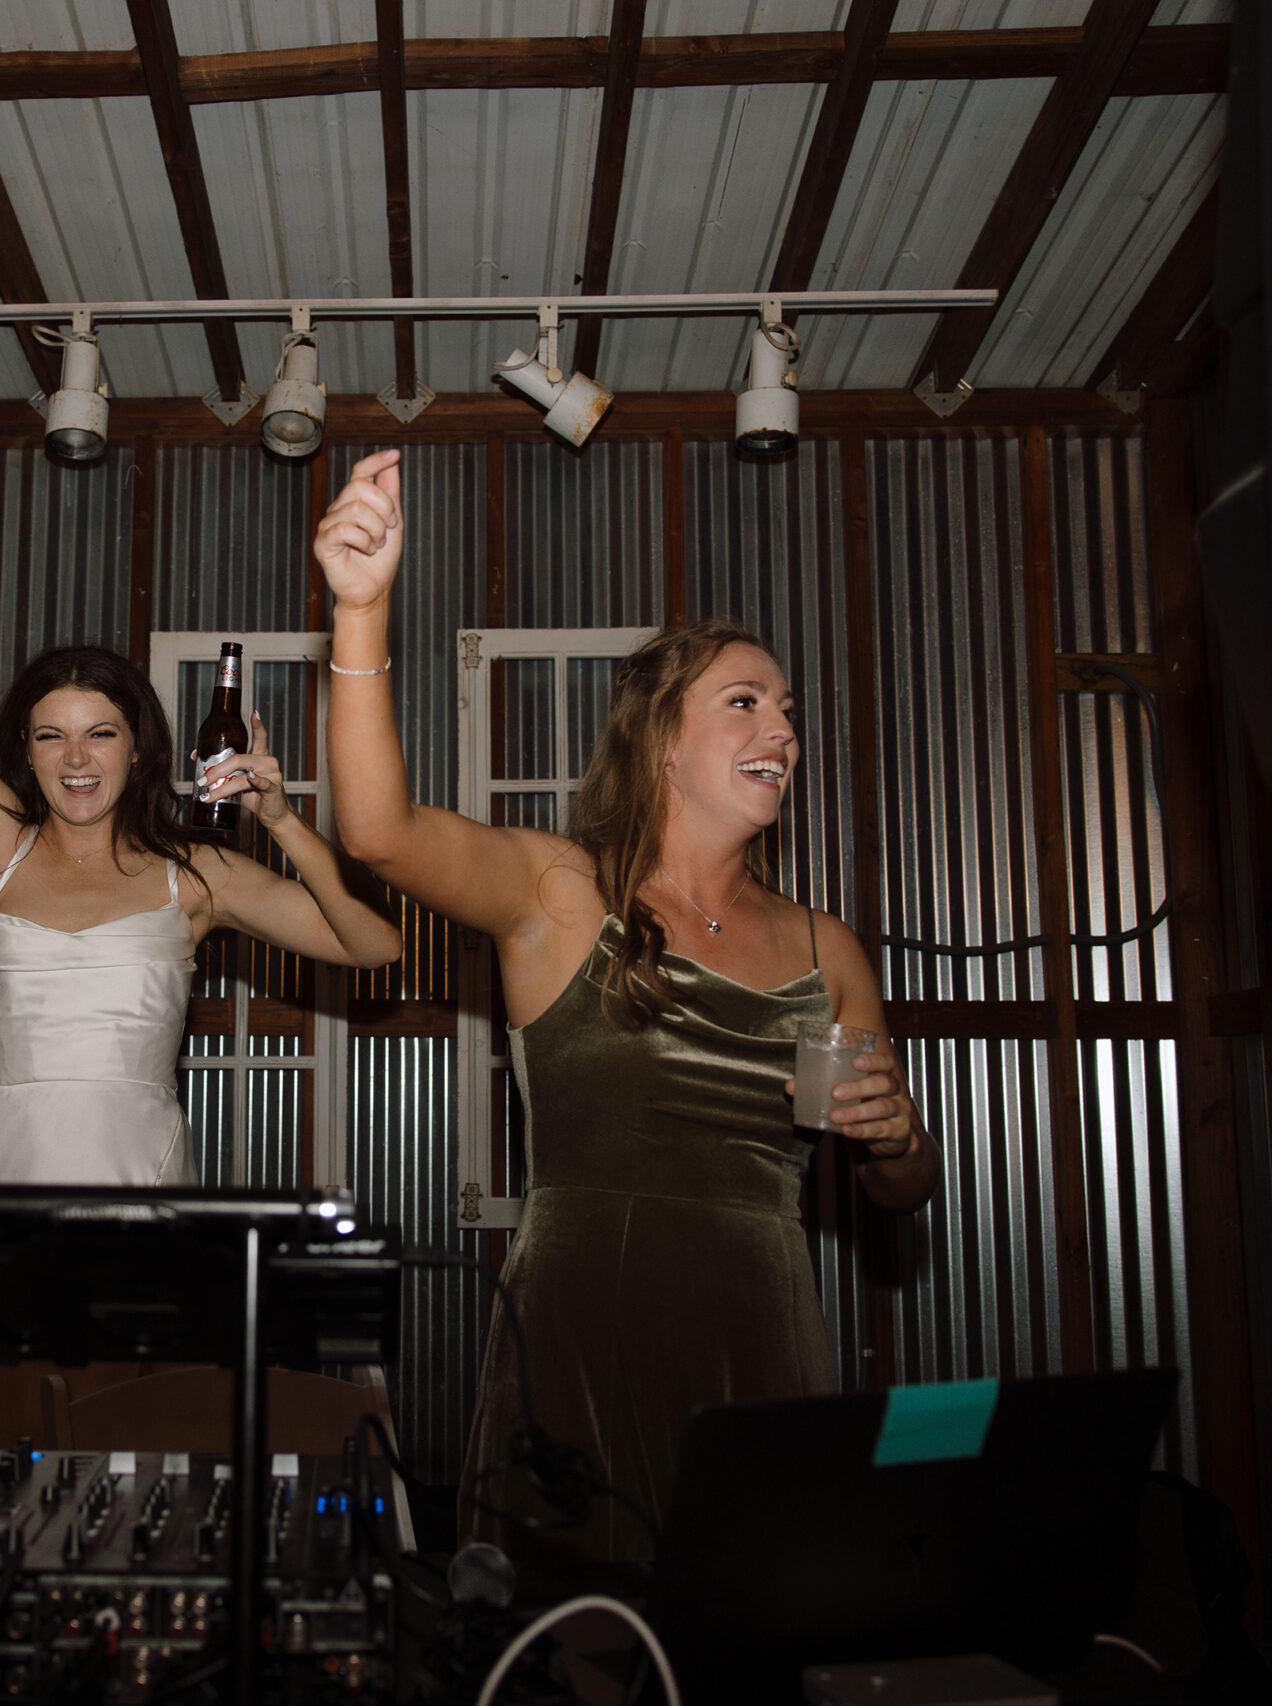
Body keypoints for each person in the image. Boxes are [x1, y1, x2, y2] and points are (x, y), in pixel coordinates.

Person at [316, 449, 939, 1572]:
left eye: (788, 711)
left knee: (749, 1629)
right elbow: (377, 832)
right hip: (581, 1331)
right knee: (576, 1639)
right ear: (661, 740)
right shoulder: (559, 893)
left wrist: (900, 1140)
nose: (783, 733)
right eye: (745, 703)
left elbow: (897, 1189)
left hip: (761, 1334)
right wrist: (359, 612)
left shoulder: (823, 947)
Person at [0, 352, 400, 1183]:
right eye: (51, 737)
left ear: (139, 747)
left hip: (148, 1205)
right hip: (2, 1207)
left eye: (101, 734)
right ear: (24, 751)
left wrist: (284, 824)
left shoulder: (196, 876)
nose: (77, 759)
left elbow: (373, 949)